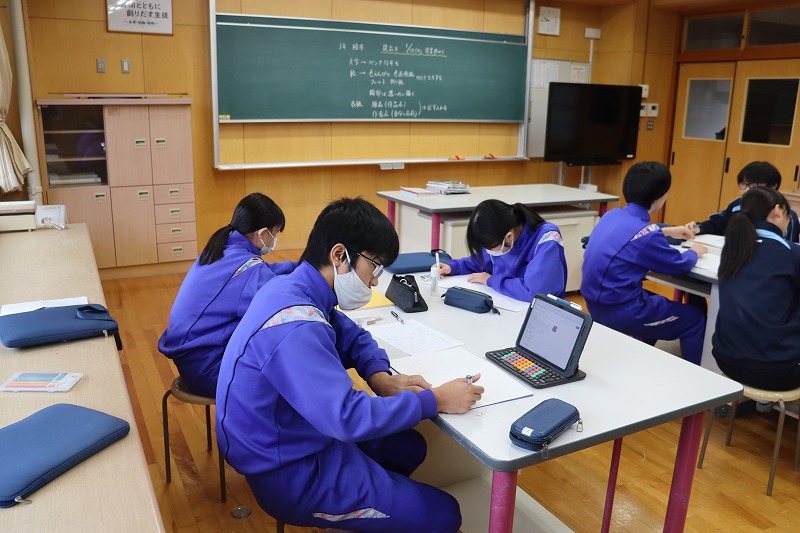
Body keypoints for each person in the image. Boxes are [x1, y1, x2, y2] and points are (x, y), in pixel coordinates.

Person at [216, 198, 483, 532]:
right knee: (444, 514)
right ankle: (362, 504)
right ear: (339, 255)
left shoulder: (297, 287)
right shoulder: (295, 325)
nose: (374, 282)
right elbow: (347, 417)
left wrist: (379, 375)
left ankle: (375, 505)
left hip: (298, 435)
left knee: (408, 446)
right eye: (375, 268)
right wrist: (436, 400)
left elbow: (353, 337)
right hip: (287, 471)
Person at [158, 193, 296, 397]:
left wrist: (300, 267)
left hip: (193, 361)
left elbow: (266, 272)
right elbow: (281, 301)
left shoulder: (224, 247)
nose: (275, 240)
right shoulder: (247, 269)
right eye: (275, 234)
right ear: (262, 233)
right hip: (209, 369)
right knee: (289, 370)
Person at [581, 161, 709, 365]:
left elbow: (633, 234)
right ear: (659, 198)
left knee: (657, 303)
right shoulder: (647, 235)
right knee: (694, 319)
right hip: (621, 312)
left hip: (595, 305)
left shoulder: (611, 216)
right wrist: (695, 251)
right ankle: (700, 380)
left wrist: (667, 231)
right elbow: (679, 264)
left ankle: (638, 360)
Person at [712, 187, 800, 390]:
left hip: (725, 358)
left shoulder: (732, 249)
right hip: (777, 371)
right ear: (778, 211)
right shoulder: (791, 254)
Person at [436, 199, 567, 302]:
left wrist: (491, 280)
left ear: (509, 237)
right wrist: (453, 267)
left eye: (489, 248)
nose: (488, 251)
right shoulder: (502, 234)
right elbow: (481, 260)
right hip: (507, 304)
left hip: (536, 313)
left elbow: (534, 293)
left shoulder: (547, 238)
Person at [685, 161, 800, 242]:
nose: (746, 190)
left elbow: (789, 248)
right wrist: (699, 227)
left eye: (753, 185)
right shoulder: (737, 205)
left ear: (773, 186)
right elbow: (718, 223)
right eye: (744, 184)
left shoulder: (787, 215)